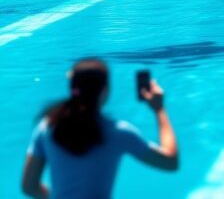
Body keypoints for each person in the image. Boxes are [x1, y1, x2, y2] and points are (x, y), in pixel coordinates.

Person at [21, 59, 178, 198]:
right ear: (105, 91)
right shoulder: (119, 132)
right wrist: (159, 109)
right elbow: (170, 162)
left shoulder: (47, 128)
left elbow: (29, 187)